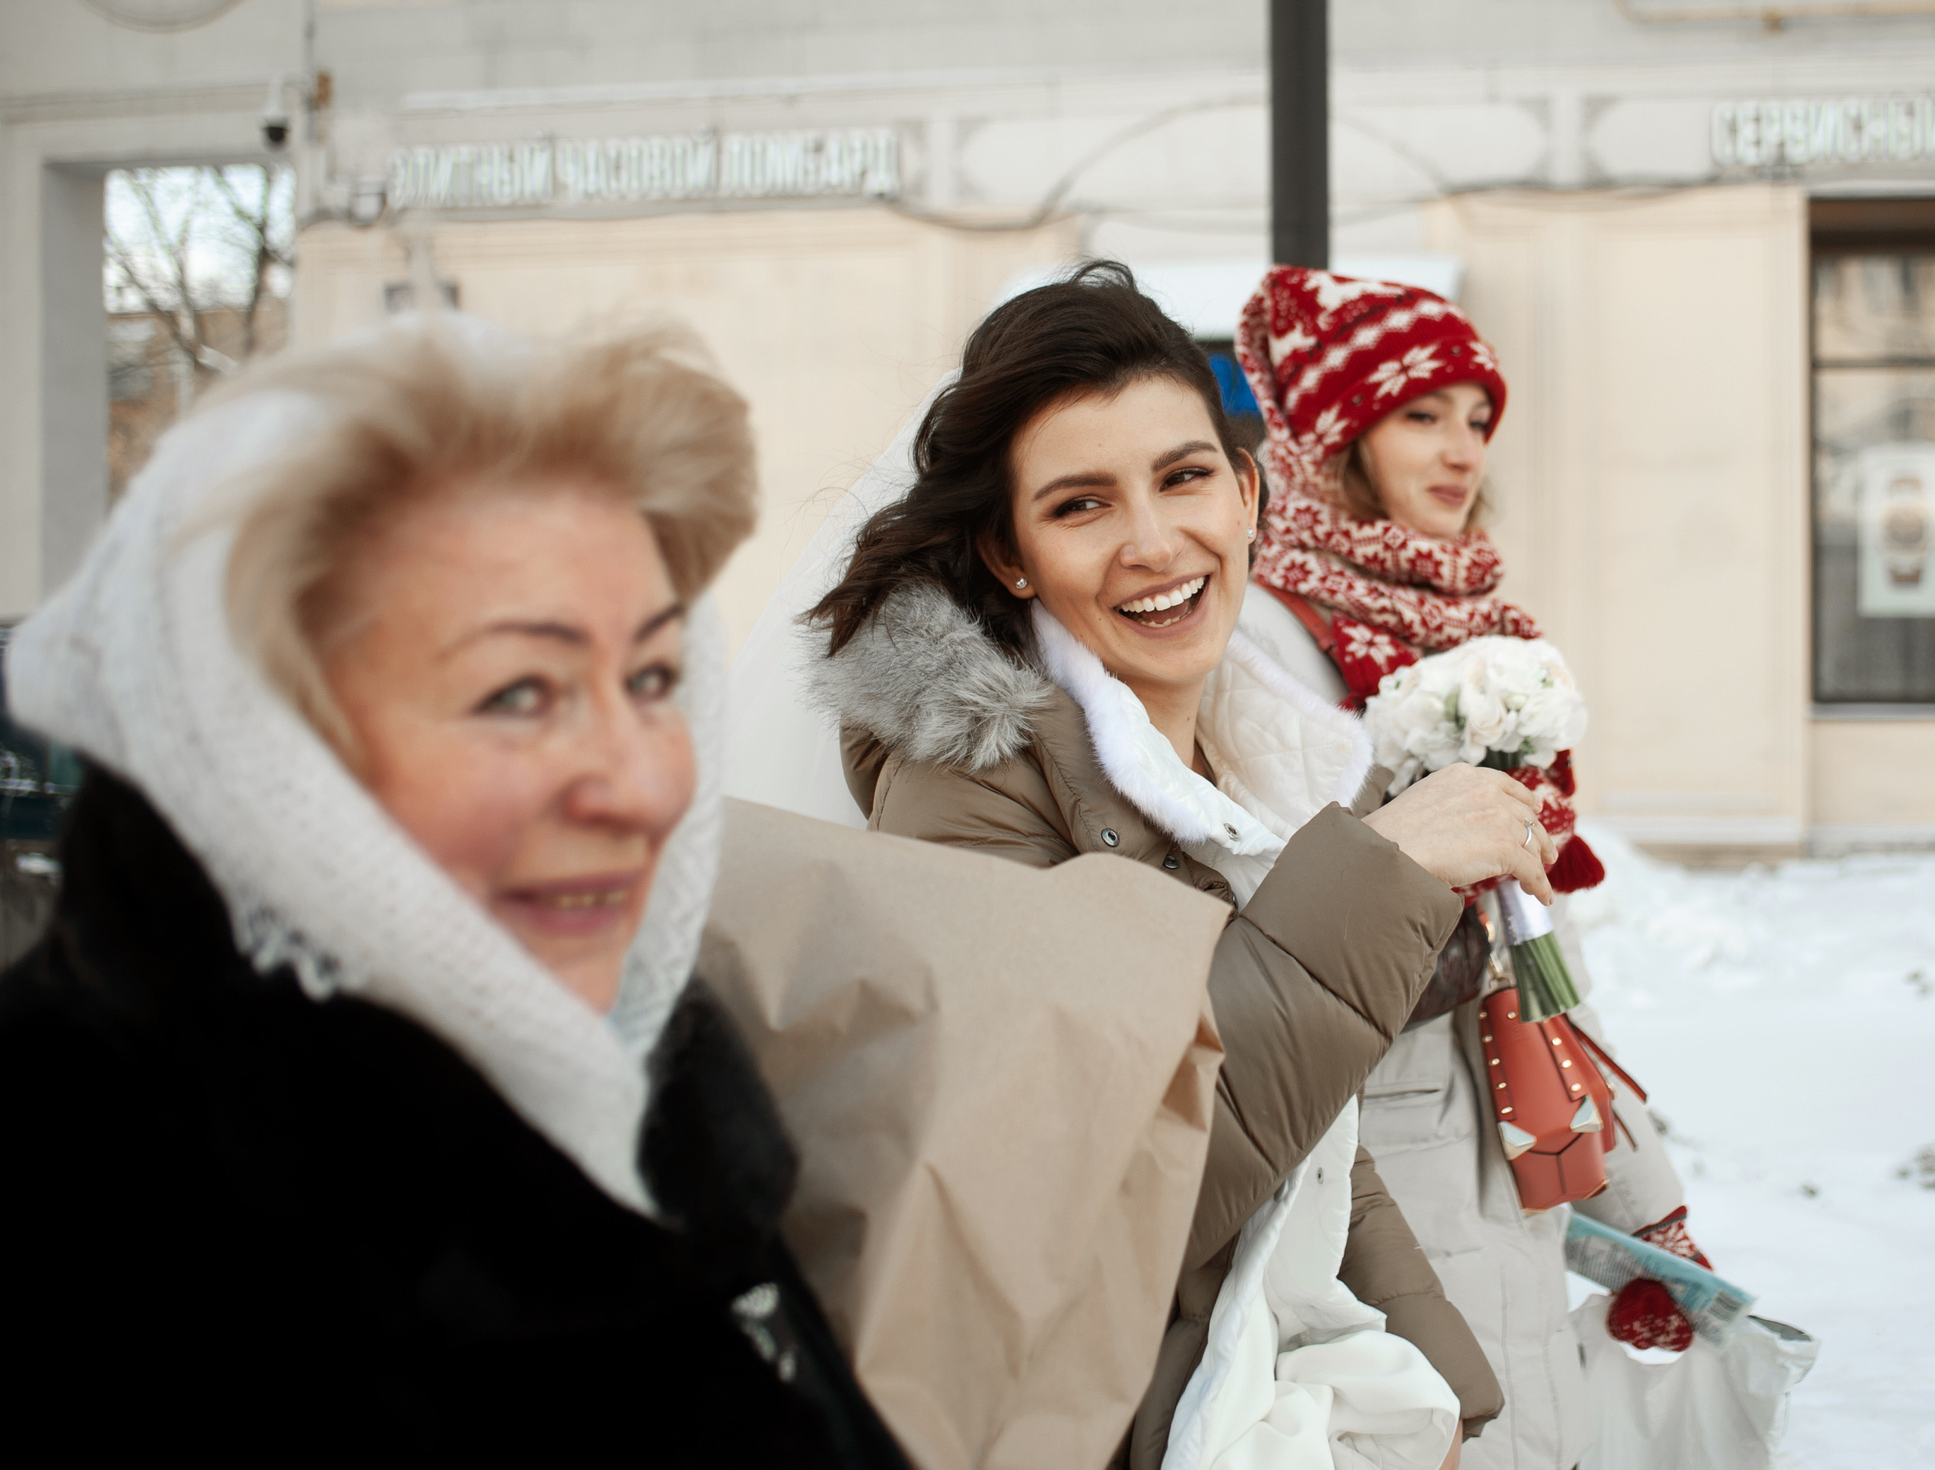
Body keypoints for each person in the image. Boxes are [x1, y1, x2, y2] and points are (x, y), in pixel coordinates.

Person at [0, 318, 903, 1466]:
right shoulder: (99, 1192)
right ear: (269, 741)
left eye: (652, 678)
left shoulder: (632, 1090)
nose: (641, 786)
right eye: (518, 692)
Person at [797, 264, 1557, 1470]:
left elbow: (1310, 1135)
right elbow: (1098, 1185)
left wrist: (1449, 1393)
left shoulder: (1268, 751)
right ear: (1008, 553)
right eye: (1081, 505)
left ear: (1247, 494)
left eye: (1184, 476)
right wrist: (1381, 871)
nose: (1155, 544)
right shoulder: (966, 786)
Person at [1233, 268, 1708, 1470]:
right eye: (1421, 415)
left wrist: (1645, 1209)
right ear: (1337, 434)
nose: (1462, 449)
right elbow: (1265, 914)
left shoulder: (1485, 628)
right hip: (1367, 1138)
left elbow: (1543, 949)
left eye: (1478, 418)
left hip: (1512, 1114)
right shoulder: (1261, 637)